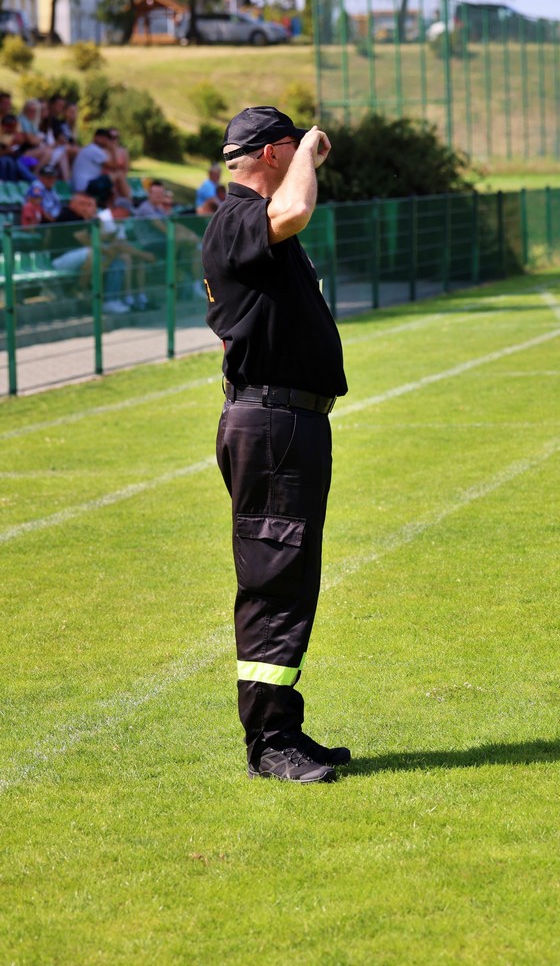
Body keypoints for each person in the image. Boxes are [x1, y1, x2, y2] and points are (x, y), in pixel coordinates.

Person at [203, 105, 347, 784]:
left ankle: (283, 727)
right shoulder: (240, 218)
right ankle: (269, 743)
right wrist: (310, 153)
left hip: (284, 421)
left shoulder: (245, 224)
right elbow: (292, 211)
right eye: (291, 150)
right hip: (272, 423)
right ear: (272, 153)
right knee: (273, 579)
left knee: (288, 577)